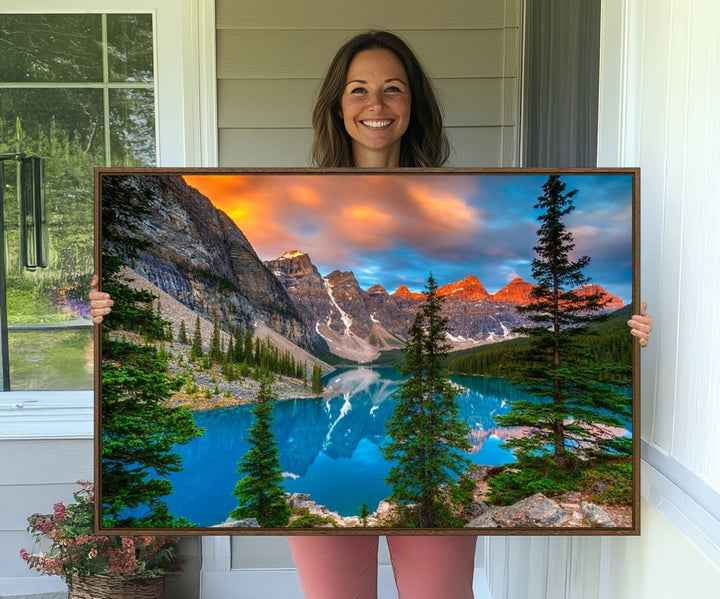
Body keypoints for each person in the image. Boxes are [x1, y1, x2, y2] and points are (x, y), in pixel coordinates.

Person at [90, 30, 653, 599]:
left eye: (393, 89)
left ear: (414, 105)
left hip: (436, 469)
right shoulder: (297, 190)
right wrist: (107, 307)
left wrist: (623, 335)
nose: (376, 105)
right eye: (358, 90)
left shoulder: (465, 188)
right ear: (338, 104)